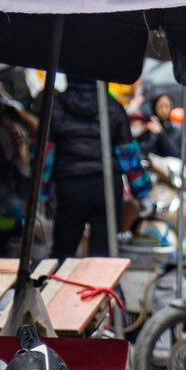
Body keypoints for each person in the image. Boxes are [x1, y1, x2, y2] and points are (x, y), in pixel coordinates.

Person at [49, 77, 134, 258]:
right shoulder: (113, 107)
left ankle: (62, 286)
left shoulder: (56, 106)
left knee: (63, 251)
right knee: (102, 256)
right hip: (107, 187)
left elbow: (45, 152)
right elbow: (127, 153)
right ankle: (98, 286)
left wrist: (41, 190)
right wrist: (141, 188)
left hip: (70, 186)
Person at [138, 93, 184, 160]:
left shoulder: (175, 129)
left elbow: (174, 154)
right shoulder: (148, 125)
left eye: (167, 106)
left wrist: (161, 132)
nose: (164, 110)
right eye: (160, 107)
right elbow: (143, 151)